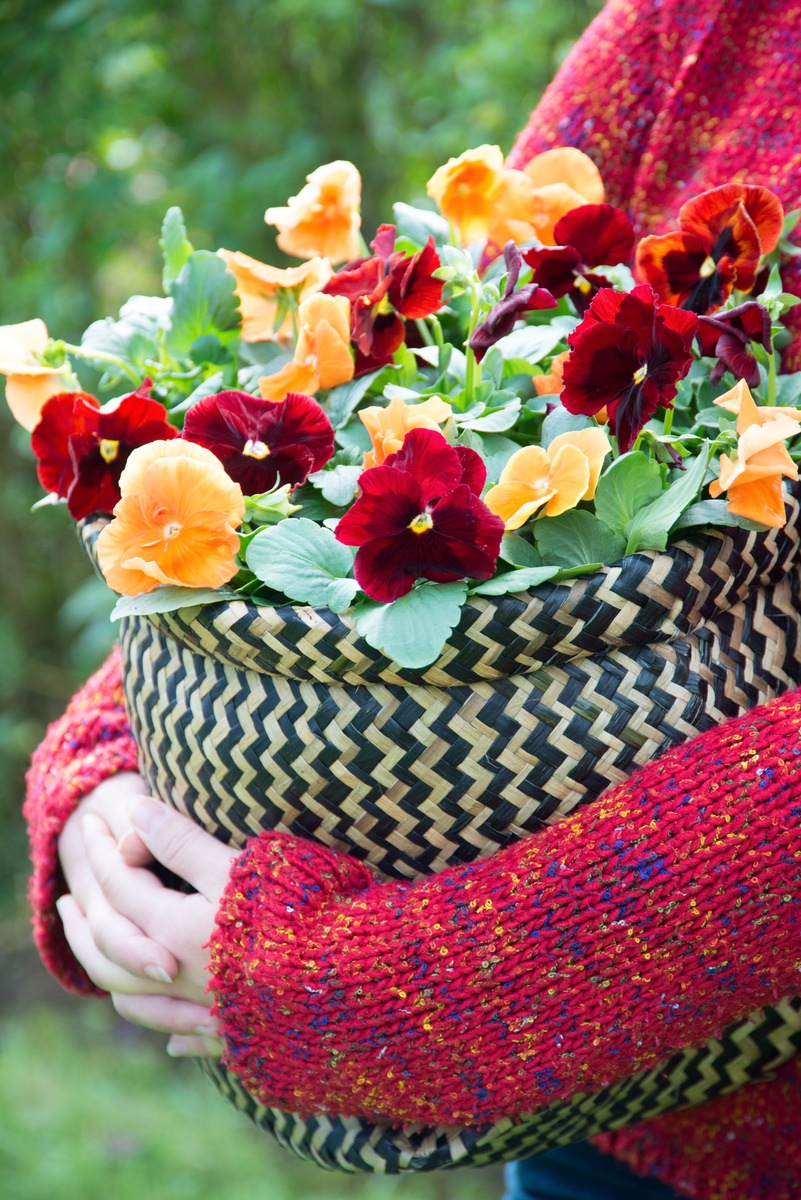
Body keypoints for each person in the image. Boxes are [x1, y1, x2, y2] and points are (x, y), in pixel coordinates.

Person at [22, 2, 801, 1198]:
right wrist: (112, 776)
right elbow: (450, 354)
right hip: (597, 1130)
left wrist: (364, 982)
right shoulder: (709, 26)